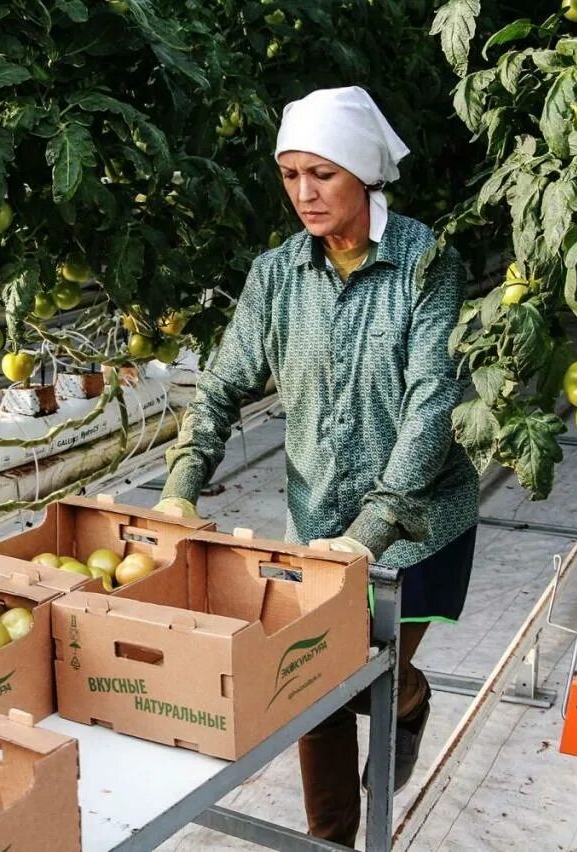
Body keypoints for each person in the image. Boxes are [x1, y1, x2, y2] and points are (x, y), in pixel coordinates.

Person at [153, 86, 480, 847]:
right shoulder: (276, 275)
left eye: (322, 174)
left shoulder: (427, 266)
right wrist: (178, 488)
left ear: (364, 175)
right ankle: (332, 838)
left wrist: (372, 530)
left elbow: (432, 406)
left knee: (361, 673)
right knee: (317, 686)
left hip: (418, 525)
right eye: (291, 173)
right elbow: (223, 385)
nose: (303, 193)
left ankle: (405, 696)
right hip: (316, 524)